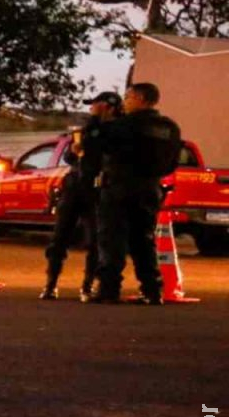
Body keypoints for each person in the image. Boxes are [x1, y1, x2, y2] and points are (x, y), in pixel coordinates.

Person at [88, 82, 182, 305]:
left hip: (120, 187)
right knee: (144, 240)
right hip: (150, 189)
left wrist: (97, 119)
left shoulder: (124, 125)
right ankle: (152, 290)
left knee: (112, 239)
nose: (125, 101)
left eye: (128, 96)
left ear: (140, 98)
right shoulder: (169, 128)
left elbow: (94, 144)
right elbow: (172, 163)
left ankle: (109, 289)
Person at [39, 92, 117, 300]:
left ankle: (88, 286)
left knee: (95, 241)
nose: (91, 108)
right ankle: (50, 284)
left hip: (98, 188)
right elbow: (71, 157)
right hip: (75, 186)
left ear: (108, 107)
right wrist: (74, 150)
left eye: (95, 104)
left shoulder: (117, 131)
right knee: (59, 237)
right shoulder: (87, 128)